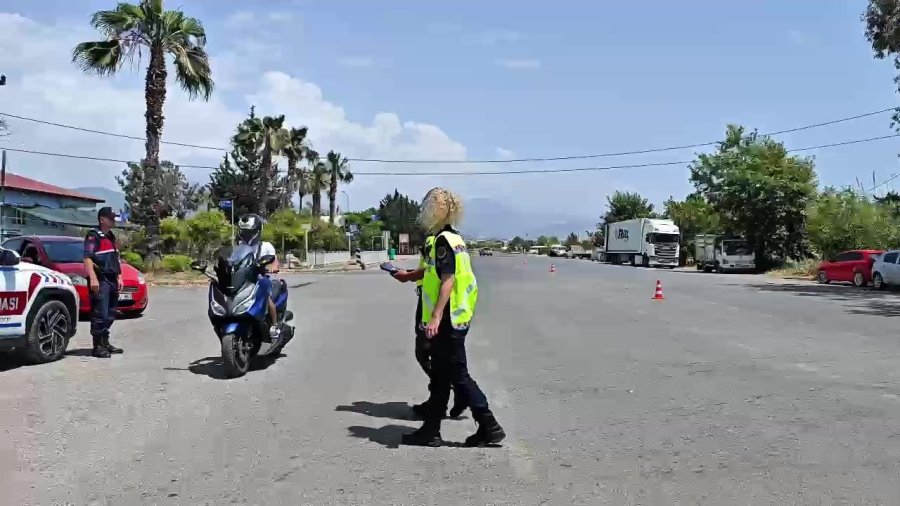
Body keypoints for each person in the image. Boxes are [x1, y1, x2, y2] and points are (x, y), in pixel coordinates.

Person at [401, 187, 506, 447]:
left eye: (428, 206)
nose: (424, 211)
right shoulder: (455, 238)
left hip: (447, 319)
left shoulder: (443, 241)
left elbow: (447, 280)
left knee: (458, 374)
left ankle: (488, 424)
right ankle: (431, 430)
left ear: (437, 210)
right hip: (457, 316)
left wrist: (436, 317)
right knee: (441, 374)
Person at [390, 236, 468, 419]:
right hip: (437, 302)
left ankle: (453, 393)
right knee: (438, 355)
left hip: (433, 303)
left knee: (426, 352)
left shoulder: (436, 239)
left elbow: (432, 270)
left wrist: (407, 276)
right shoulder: (445, 237)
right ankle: (444, 397)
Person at [83, 207, 124, 358]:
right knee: (100, 312)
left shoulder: (110, 236)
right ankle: (98, 346)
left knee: (111, 312)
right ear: (102, 220)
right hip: (101, 279)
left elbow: (115, 257)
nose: (113, 221)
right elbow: (87, 258)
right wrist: (93, 278)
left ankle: (105, 342)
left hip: (112, 278)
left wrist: (119, 276)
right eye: (111, 218)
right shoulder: (93, 236)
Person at [235, 214, 282, 338]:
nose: (247, 235)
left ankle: (274, 325)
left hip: (264, 277)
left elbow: (274, 261)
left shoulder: (266, 246)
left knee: (265, 294)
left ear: (257, 231)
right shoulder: (240, 248)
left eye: (250, 232)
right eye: (244, 232)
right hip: (246, 279)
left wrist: (272, 267)